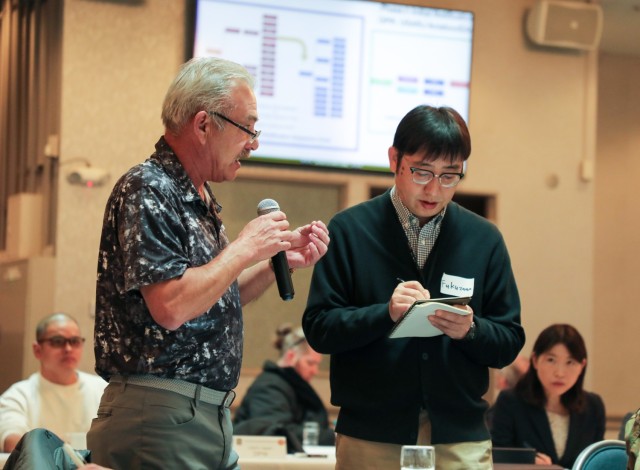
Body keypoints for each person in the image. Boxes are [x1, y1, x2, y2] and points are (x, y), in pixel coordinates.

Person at [86, 56, 330, 470]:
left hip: (206, 416)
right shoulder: (150, 187)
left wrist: (273, 263)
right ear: (203, 125)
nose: (254, 143)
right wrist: (242, 248)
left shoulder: (198, 197)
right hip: (160, 415)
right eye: (248, 127)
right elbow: (171, 306)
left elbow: (213, 296)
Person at [302, 104, 524, 469]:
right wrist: (384, 314)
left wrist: (472, 329)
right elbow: (320, 329)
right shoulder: (349, 230)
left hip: (459, 438)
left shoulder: (484, 239)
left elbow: (510, 339)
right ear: (394, 159)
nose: (434, 189)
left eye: (450, 176)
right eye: (422, 172)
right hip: (371, 435)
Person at [489, 324, 605, 468]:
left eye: (570, 362)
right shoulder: (510, 402)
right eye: (551, 360)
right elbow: (497, 456)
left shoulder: (593, 406)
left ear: (582, 365)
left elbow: (597, 461)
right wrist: (528, 462)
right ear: (535, 360)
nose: (560, 373)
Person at [0, 313, 107, 453]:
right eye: (57, 341)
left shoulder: (104, 390)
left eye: (74, 341)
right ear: (37, 350)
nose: (68, 349)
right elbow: (13, 443)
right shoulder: (18, 396)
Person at [233, 324, 334, 452]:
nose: (315, 371)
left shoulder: (290, 385)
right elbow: (277, 432)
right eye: (310, 363)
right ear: (291, 356)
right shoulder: (269, 387)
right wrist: (331, 437)